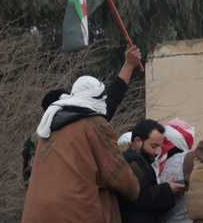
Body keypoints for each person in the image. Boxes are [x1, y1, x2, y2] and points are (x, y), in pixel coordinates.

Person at [0, 75, 141, 223]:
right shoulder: (95, 125)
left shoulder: (47, 127)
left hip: (39, 212)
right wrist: (136, 187)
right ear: (97, 98)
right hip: (78, 210)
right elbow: (117, 174)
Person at [23, 45, 142, 186]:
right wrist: (129, 65)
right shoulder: (86, 127)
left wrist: (129, 65)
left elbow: (28, 181)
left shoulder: (35, 140)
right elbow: (112, 99)